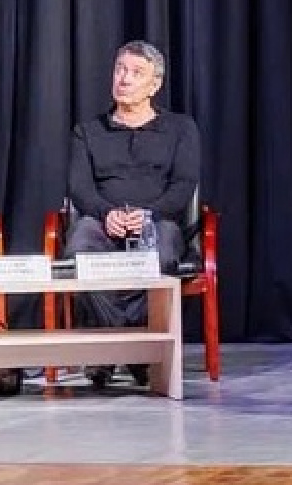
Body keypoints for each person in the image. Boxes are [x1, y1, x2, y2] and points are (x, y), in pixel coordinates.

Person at [64, 41, 200, 388]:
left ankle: (114, 349)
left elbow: (183, 186)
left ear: (154, 85)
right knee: (78, 248)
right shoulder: (88, 131)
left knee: (164, 253)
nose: (124, 79)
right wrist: (106, 214)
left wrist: (149, 214)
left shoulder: (181, 129)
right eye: (120, 69)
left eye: (136, 73)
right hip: (103, 222)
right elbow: (79, 187)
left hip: (157, 221)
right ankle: (135, 350)